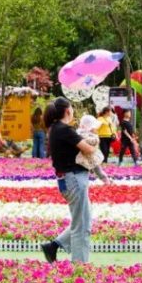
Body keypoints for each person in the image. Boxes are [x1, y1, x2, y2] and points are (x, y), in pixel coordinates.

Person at [41, 97, 97, 263]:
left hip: (67, 179)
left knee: (84, 220)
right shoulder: (65, 130)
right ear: (67, 111)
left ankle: (55, 245)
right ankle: (79, 265)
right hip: (74, 179)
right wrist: (95, 141)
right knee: (81, 226)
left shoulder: (55, 129)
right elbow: (88, 150)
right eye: (72, 108)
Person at [75, 115, 111, 184]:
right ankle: (82, 182)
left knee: (98, 170)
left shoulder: (91, 134)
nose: (94, 129)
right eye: (92, 127)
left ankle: (105, 180)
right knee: (83, 171)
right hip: (83, 157)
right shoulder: (80, 133)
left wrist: (95, 138)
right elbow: (87, 140)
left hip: (92, 157)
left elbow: (95, 141)